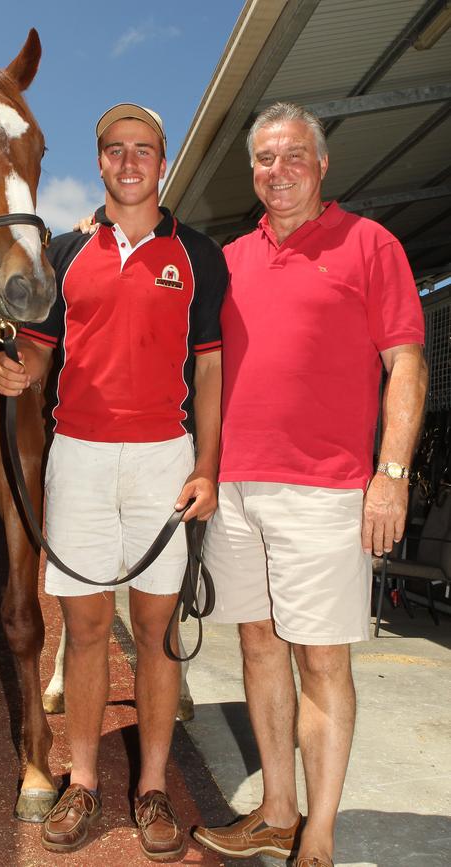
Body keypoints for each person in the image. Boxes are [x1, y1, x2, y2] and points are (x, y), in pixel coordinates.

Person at [0, 102, 228, 860]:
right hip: (80, 458)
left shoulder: (198, 254)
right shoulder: (62, 251)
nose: (130, 162)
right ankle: (85, 781)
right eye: (115, 150)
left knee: (157, 636)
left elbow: (213, 367)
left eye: (144, 150)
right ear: (100, 162)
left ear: (163, 162)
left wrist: (207, 465)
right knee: (87, 633)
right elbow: (36, 356)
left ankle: (151, 786)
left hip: (163, 456)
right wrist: (11, 369)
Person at [192, 102, 428, 867]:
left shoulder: (370, 244)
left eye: (295, 156)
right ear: (252, 170)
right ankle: (278, 811)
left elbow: (407, 364)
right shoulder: (229, 260)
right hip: (236, 489)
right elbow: (208, 367)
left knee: (322, 660)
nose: (279, 170)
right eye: (266, 158)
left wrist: (391, 474)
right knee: (258, 645)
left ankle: (319, 835)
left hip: (327, 489)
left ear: (322, 165)